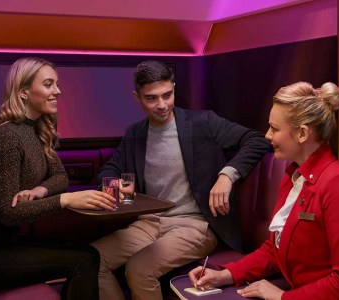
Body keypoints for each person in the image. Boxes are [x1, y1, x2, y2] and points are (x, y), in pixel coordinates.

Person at [91, 60, 271, 300]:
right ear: (137, 97)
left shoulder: (203, 122)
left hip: (195, 226)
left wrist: (227, 175)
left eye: (167, 95)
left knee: (139, 269)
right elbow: (110, 168)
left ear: (174, 87)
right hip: (149, 223)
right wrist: (113, 185)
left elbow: (257, 140)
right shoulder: (135, 133)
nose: (162, 105)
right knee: (91, 260)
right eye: (151, 98)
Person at [0, 57, 117, 300]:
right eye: (49, 84)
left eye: (57, 84)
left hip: (4, 243)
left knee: (88, 255)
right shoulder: (6, 136)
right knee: (83, 260)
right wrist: (65, 201)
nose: (57, 91)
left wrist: (39, 191)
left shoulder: (37, 130)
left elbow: (60, 177)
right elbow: (8, 214)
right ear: (24, 92)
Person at [189, 82, 339, 300]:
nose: (267, 136)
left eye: (274, 128)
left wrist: (282, 297)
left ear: (302, 134)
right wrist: (224, 275)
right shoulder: (293, 177)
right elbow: (274, 250)